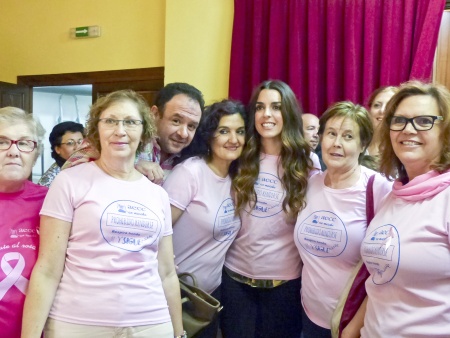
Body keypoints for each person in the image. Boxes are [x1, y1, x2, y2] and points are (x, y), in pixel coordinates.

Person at [22, 90, 185, 338]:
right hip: (78, 323)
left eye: (130, 122)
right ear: (96, 129)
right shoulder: (69, 182)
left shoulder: (157, 195)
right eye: (110, 121)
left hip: (151, 324)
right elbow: (47, 270)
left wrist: (179, 333)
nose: (120, 130)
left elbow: (167, 273)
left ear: (144, 131)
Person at [220, 80, 320, 338]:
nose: (267, 114)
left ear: (287, 113)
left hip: (284, 284)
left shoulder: (306, 161)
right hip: (235, 280)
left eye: (276, 107)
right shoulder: (240, 155)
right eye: (260, 107)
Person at [294, 102, 392, 338]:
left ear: (363, 145)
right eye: (331, 133)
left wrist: (352, 329)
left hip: (352, 322)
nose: (337, 143)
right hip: (308, 315)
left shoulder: (378, 188)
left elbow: (387, 271)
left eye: (348, 136)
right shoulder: (310, 182)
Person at [360, 81, 450, 337]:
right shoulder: (394, 195)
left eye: (423, 121)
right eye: (399, 120)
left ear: (445, 131)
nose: (408, 130)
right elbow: (382, 279)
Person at [163, 99, 246, 338]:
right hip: (175, 295)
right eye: (224, 131)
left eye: (239, 131)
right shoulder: (190, 173)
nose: (233, 139)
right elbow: (156, 236)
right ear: (209, 136)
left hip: (209, 297)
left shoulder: (237, 178)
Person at [63, 82, 204, 184]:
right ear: (154, 113)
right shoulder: (127, 138)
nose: (183, 133)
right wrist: (132, 163)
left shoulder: (191, 157)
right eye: (176, 121)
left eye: (191, 126)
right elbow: (69, 168)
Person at [0, 107, 46, 338]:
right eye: (2, 142)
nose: (13, 152)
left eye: (25, 143)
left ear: (35, 154)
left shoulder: (52, 202)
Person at [38, 121, 84, 187]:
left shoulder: (84, 167)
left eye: (80, 141)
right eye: (70, 143)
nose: (77, 147)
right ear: (58, 149)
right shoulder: (51, 181)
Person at [366, 86, 397, 157]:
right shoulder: (358, 143)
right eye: (377, 105)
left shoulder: (402, 148)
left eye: (389, 106)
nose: (382, 110)